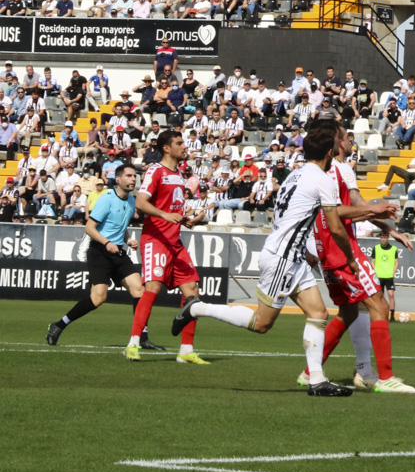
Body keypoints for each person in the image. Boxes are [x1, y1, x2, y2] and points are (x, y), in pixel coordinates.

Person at [172, 120, 359, 397]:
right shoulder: (323, 179)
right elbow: (335, 227)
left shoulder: (294, 175)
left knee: (318, 313)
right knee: (262, 324)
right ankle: (198, 308)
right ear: (330, 153)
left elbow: (290, 216)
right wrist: (351, 258)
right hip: (283, 258)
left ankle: (317, 379)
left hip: (290, 256)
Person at [292, 127, 415, 393]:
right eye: (347, 138)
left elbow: (341, 214)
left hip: (326, 255)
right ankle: (385, 378)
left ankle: (309, 372)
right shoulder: (340, 170)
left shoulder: (309, 174)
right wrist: (378, 213)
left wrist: (389, 229)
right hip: (343, 251)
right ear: (335, 144)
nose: (351, 142)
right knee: (380, 306)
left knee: (348, 312)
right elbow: (349, 210)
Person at [124, 130, 232, 364]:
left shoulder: (179, 174)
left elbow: (172, 208)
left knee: (193, 292)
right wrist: (166, 215)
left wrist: (185, 220)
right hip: (156, 239)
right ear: (166, 148)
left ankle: (185, 350)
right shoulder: (155, 170)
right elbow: (141, 203)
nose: (185, 147)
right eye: (179, 143)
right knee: (152, 287)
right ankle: (133, 344)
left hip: (174, 240)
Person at [46, 165, 163, 350]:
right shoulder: (106, 199)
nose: (134, 179)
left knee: (139, 290)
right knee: (98, 298)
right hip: (99, 251)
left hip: (118, 252)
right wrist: (107, 243)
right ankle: (59, 324)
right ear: (118, 179)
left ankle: (142, 337)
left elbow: (120, 227)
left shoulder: (132, 200)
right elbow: (89, 228)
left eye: (135, 176)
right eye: (129, 176)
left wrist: (128, 240)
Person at [371, 231, 400, 321]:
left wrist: (393, 272)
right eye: (382, 237)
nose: (383, 239)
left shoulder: (393, 249)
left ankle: (392, 316)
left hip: (388, 276)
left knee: (391, 294)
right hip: (379, 275)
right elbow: (373, 261)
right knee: (380, 296)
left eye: (385, 237)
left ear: (388, 238)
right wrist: (373, 272)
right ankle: (382, 314)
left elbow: (396, 262)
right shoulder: (376, 248)